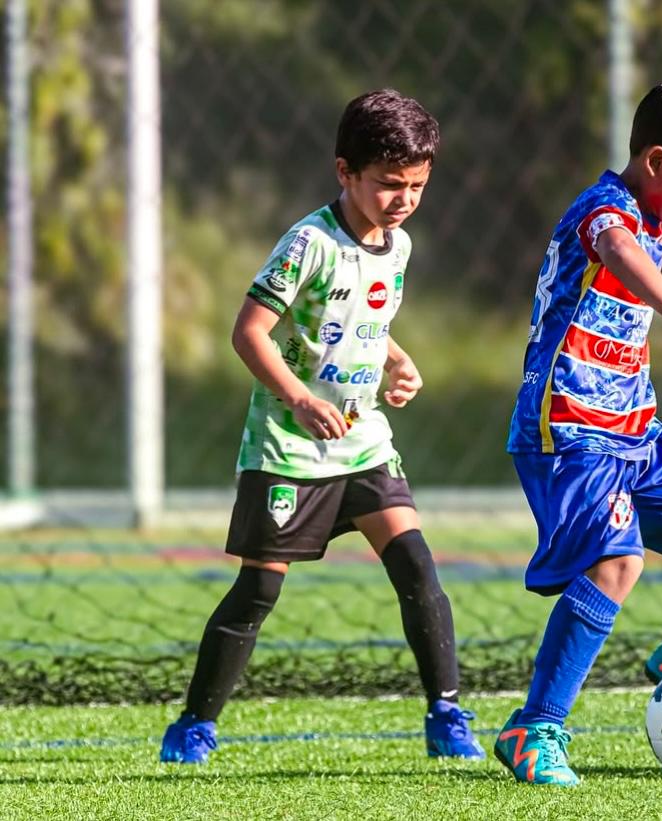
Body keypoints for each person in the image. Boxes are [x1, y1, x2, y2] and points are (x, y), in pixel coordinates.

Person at [159, 89, 484, 764]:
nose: (404, 199)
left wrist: (397, 359)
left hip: (363, 439)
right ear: (345, 172)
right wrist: (301, 398)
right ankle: (194, 724)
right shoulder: (309, 243)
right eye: (389, 184)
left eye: (417, 186)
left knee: (418, 567)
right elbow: (249, 333)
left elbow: (369, 320)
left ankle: (446, 715)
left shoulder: (399, 247)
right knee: (260, 587)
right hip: (289, 447)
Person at [494, 81, 662, 785]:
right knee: (617, 564)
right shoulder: (603, 211)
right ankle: (534, 729)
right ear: (656, 161)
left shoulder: (653, 215)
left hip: (635, 431)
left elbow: (653, 231)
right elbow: (617, 245)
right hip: (569, 429)